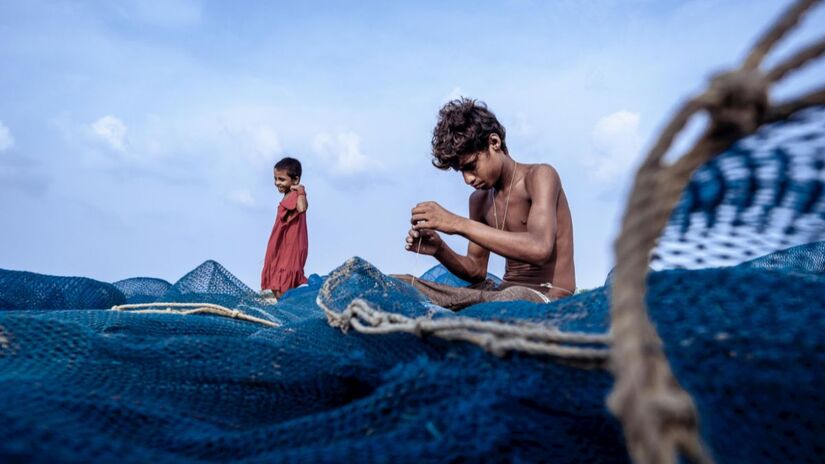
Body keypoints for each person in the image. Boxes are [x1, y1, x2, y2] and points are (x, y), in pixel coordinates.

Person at [399, 98, 575, 310]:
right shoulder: (479, 200)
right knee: (399, 283)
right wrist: (440, 249)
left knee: (511, 296)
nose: (468, 179)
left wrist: (458, 224)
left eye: (471, 166)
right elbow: (476, 270)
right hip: (499, 294)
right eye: (460, 171)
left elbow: (540, 249)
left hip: (548, 297)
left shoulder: (540, 176)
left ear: (494, 142)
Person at [261, 157, 309, 299]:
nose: (277, 183)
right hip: (282, 247)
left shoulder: (296, 195)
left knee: (283, 285)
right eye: (275, 179)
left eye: (281, 179)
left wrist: (301, 190)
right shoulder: (288, 195)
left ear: (295, 180)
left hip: (291, 248)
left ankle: (284, 314)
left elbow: (302, 208)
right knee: (276, 284)